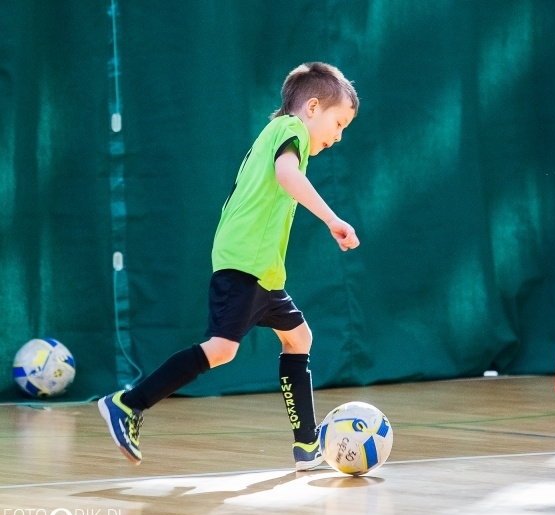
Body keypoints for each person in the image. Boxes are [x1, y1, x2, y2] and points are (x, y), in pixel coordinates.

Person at [98, 62, 360, 471]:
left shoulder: (275, 136)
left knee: (299, 338)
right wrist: (332, 219)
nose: (339, 136)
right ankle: (127, 404)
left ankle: (307, 445)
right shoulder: (289, 131)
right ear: (312, 108)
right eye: (339, 122)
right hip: (245, 261)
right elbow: (286, 175)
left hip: (263, 269)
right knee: (221, 349)